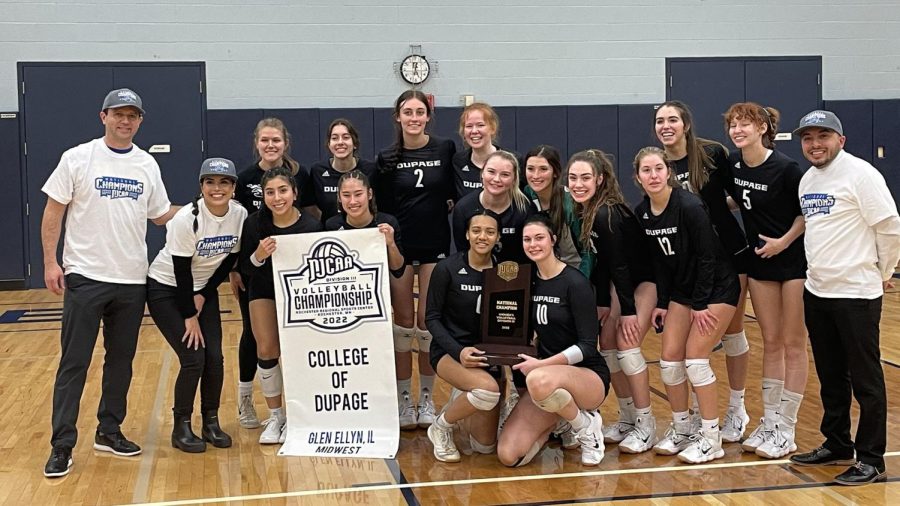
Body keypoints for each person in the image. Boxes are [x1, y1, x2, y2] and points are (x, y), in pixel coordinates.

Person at [42, 88, 178, 477]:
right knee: (74, 363)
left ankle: (109, 429)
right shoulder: (78, 157)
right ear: (103, 117)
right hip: (85, 276)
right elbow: (53, 212)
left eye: (132, 115)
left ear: (140, 121)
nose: (125, 121)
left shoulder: (146, 164)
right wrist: (51, 262)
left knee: (121, 362)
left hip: (132, 280)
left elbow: (159, 215)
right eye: (118, 114)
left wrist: (205, 208)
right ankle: (62, 444)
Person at [789, 110, 900, 485]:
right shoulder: (807, 180)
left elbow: (889, 227)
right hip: (818, 290)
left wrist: (882, 272)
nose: (815, 144)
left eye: (823, 136)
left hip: (856, 294)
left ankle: (871, 458)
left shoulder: (862, 174)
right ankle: (837, 443)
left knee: (866, 380)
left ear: (841, 139)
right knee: (831, 375)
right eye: (808, 138)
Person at [633, 147, 740, 463]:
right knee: (669, 362)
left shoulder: (690, 206)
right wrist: (663, 303)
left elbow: (708, 256)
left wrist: (702, 303)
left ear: (668, 172)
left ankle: (711, 438)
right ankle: (682, 429)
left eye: (658, 169)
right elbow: (659, 262)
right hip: (683, 290)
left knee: (696, 361)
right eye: (646, 170)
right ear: (638, 177)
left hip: (717, 288)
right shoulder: (643, 213)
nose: (653, 175)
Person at [655, 101, 751, 443]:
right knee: (686, 349)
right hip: (690, 265)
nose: (666, 126)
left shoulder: (711, 153)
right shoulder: (658, 164)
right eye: (660, 121)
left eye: (672, 119)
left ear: (686, 124)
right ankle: (692, 416)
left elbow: (739, 196)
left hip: (729, 255)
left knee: (732, 333)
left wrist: (714, 213)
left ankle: (737, 409)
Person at [723, 103, 808, 459]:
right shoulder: (733, 164)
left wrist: (783, 242)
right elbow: (735, 201)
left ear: (763, 128)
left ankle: (787, 427)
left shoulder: (787, 168)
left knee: (793, 343)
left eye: (745, 124)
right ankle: (770, 421)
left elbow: (805, 215)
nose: (738, 130)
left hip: (792, 263)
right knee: (770, 342)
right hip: (759, 263)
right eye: (733, 125)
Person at [147, 158, 247, 453]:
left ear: (233, 187)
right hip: (167, 289)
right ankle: (181, 427)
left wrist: (204, 294)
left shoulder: (238, 215)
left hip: (204, 287)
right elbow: (180, 270)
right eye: (210, 182)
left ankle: (211, 421)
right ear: (201, 186)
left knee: (215, 357)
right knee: (194, 358)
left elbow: (230, 258)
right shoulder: (187, 219)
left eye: (224, 183)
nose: (217, 189)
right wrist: (189, 314)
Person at [497, 214, 609, 467]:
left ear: (553, 240)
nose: (533, 244)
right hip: (546, 384)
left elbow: (588, 346)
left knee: (537, 378)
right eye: (527, 239)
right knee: (509, 455)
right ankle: (561, 420)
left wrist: (542, 364)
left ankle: (586, 427)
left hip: (586, 376)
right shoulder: (529, 282)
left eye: (539, 238)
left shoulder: (575, 283)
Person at [374, 90, 456, 430]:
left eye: (419, 112)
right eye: (407, 112)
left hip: (436, 242)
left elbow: (454, 190)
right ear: (398, 116)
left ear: (427, 116)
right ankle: (403, 399)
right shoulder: (386, 157)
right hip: (402, 246)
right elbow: (381, 205)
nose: (413, 118)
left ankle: (426, 397)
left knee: (427, 322)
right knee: (403, 321)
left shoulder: (445, 148)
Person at [566, 150, 656, 453]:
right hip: (620, 285)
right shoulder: (586, 210)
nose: (578, 184)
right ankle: (628, 417)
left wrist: (628, 312)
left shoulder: (607, 213)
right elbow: (602, 265)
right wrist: (604, 302)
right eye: (573, 178)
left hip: (645, 281)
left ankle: (646, 424)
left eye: (586, 178)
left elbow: (620, 265)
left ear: (600, 179)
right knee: (607, 344)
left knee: (628, 347)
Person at [231, 117, 308, 430]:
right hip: (257, 271)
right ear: (256, 143)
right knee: (257, 337)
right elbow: (234, 224)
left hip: (294, 275)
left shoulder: (301, 175)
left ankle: (304, 407)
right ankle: (249, 399)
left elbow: (314, 218)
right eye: (265, 140)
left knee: (297, 342)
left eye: (276, 140)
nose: (271, 145)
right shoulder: (245, 179)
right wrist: (239, 266)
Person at [240, 167, 322, 444]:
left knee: (299, 352)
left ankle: (301, 414)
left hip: (300, 295)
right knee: (266, 348)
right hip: (263, 289)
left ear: (295, 192)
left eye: (283, 190)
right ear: (263, 196)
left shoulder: (311, 225)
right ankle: (276, 416)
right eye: (270, 192)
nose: (277, 197)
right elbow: (245, 269)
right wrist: (258, 255)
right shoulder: (254, 224)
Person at [425, 209, 504, 462]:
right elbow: (432, 319)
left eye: (490, 232)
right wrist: (458, 351)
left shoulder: (506, 271)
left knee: (485, 447)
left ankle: (465, 398)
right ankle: (440, 426)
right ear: (467, 234)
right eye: (477, 230)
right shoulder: (447, 268)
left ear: (498, 237)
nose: (483, 236)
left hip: (487, 356)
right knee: (488, 392)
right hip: (450, 352)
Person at [451, 150, 535, 264]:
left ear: (514, 179)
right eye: (491, 172)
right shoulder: (463, 208)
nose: (496, 179)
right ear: (482, 174)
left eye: (505, 174)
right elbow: (462, 252)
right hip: (476, 274)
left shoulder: (525, 209)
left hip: (515, 274)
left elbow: (529, 254)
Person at [523, 145, 592, 275]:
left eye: (543, 169)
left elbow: (588, 251)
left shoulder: (570, 204)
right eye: (530, 169)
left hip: (573, 272)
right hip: (542, 274)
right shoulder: (526, 194)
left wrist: (582, 281)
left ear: (555, 172)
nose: (536, 175)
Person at [324, 170, 405, 277]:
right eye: (346, 195)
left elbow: (398, 271)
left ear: (369, 194)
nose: (353, 201)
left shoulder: (387, 223)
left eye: (358, 194)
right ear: (339, 197)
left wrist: (391, 244)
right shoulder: (332, 226)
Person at [304, 119, 377, 223]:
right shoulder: (318, 171)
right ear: (329, 144)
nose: (340, 142)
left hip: (363, 231)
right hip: (330, 231)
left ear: (355, 143)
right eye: (334, 138)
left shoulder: (370, 169)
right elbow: (311, 207)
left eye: (346, 137)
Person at [452, 102, 512, 201]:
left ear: (492, 128)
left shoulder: (512, 161)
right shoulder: (458, 161)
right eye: (469, 126)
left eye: (480, 125)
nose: (474, 131)